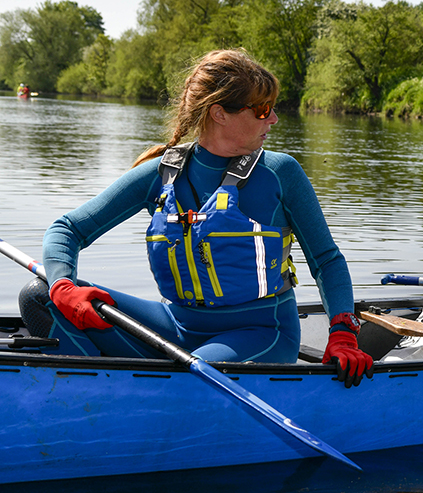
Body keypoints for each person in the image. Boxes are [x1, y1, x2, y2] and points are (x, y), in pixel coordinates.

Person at [21, 49, 373, 387]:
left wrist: (343, 332)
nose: (274, 119)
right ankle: (76, 397)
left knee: (189, 375)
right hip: (174, 325)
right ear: (220, 113)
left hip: (261, 332)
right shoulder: (159, 173)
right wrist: (63, 286)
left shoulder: (280, 173)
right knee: (40, 294)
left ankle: (126, 394)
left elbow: (326, 260)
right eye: (263, 110)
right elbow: (66, 230)